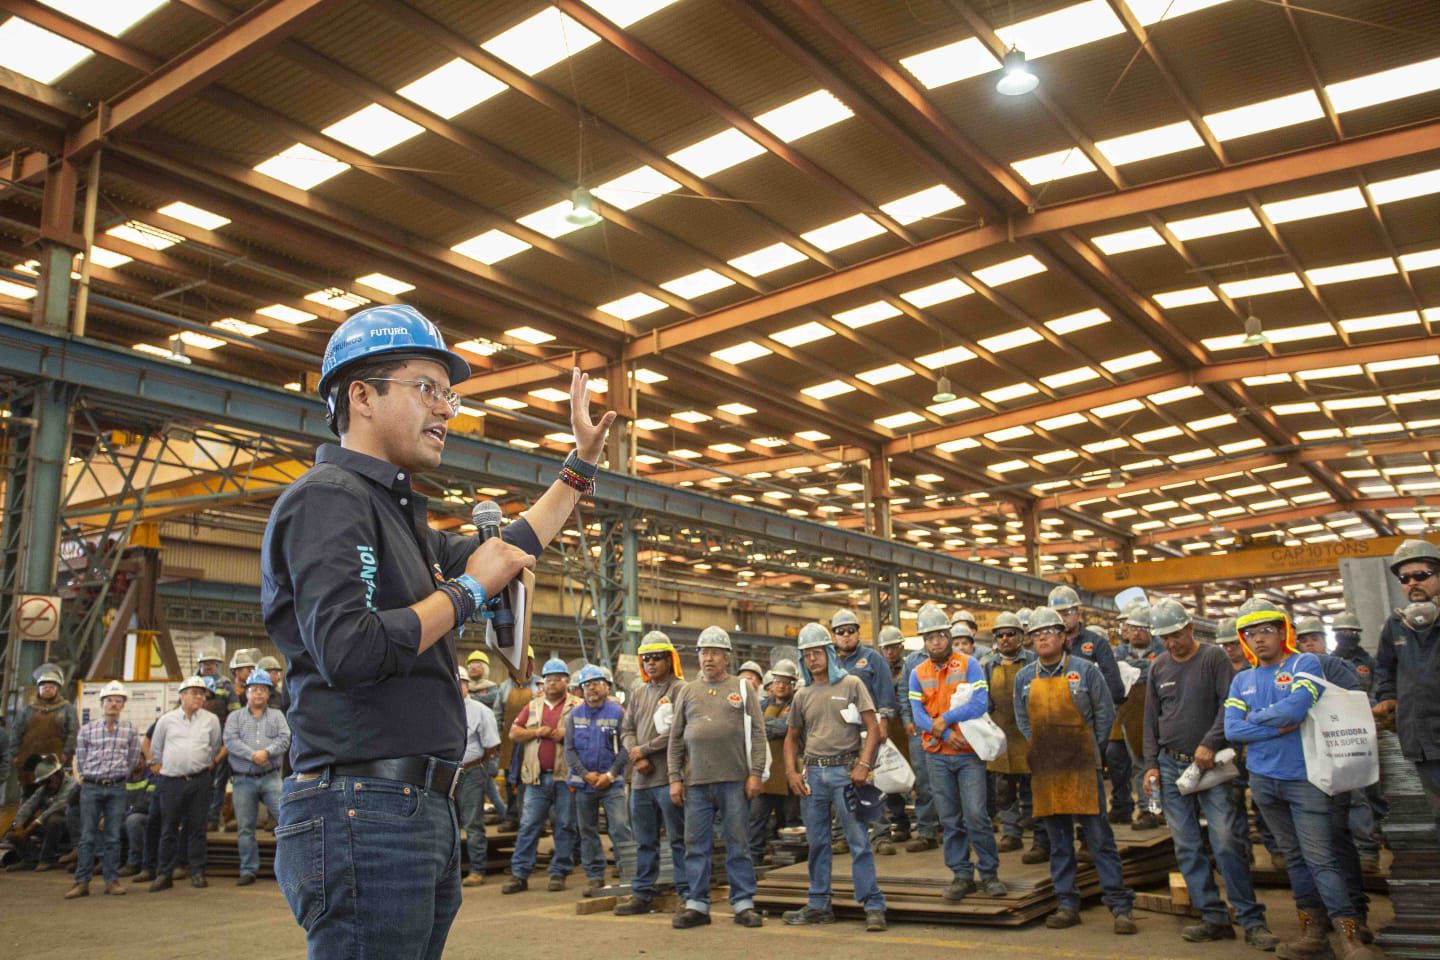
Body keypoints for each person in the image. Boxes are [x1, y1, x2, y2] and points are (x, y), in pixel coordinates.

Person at [262, 306, 611, 957]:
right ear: (361, 396)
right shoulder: (329, 498)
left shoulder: (400, 520)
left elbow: (511, 547)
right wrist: (468, 589)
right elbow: (351, 649)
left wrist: (578, 467)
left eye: (448, 394)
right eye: (427, 388)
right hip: (362, 807)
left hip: (414, 807)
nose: (446, 409)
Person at [1225, 600, 1380, 960]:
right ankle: (1313, 935)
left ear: (1282, 632)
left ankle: (1350, 937)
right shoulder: (1241, 678)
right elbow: (1233, 730)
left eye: (1266, 630)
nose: (1258, 639)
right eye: (1251, 633)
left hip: (1305, 779)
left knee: (1321, 858)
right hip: (1263, 782)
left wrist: (1255, 721)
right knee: (1294, 860)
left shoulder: (1304, 663)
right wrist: (1275, 725)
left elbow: (1297, 708)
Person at [1139, 599, 1277, 949]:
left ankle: (1251, 919)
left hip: (1212, 765)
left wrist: (1210, 743)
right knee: (1186, 845)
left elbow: (1230, 707)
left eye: (1175, 635)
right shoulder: (1159, 668)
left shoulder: (1213, 658)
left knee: (1227, 840)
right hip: (1172, 766)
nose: (1171, 643)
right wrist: (1151, 764)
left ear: (1189, 628)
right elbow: (1151, 718)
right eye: (1165, 638)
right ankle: (1213, 917)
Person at [1015, 607, 1137, 934]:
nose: (1042, 637)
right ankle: (1067, 903)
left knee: (1099, 838)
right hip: (1047, 768)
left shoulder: (1085, 672)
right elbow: (1023, 720)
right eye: (1036, 633)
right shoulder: (1025, 677)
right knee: (1059, 842)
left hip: (1083, 765)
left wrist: (1089, 750)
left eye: (1049, 631)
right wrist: (1044, 749)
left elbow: (1104, 712)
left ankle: (1119, 906)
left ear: (1062, 636)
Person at [782, 622, 888, 932]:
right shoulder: (802, 695)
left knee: (858, 841)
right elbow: (791, 738)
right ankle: (818, 905)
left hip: (845, 773)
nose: (812, 659)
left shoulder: (852, 684)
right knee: (817, 843)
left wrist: (864, 765)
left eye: (817, 652)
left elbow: (873, 729)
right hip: (813, 774)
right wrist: (791, 772)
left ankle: (873, 905)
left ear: (829, 652)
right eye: (807, 654)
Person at [667, 626, 766, 930]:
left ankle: (743, 903)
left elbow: (759, 734)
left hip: (734, 780)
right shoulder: (687, 691)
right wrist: (674, 777)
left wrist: (755, 773)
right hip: (696, 783)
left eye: (714, 653)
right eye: (703, 652)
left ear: (726, 657)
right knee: (695, 845)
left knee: (738, 843)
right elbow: (676, 739)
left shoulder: (742, 688)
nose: (708, 659)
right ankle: (697, 904)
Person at [909, 604, 1006, 902]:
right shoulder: (917, 673)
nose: (935, 642)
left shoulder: (968, 665)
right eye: (929, 637)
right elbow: (917, 713)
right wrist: (946, 733)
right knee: (950, 818)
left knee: (976, 815)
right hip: (938, 754)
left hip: (967, 754)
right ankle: (961, 874)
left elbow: (980, 703)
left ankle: (989, 874)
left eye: (940, 635)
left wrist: (946, 720)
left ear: (949, 635)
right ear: (924, 642)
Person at [615, 632, 689, 916]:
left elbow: (676, 732)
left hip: (668, 779)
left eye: (657, 658)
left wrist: (643, 750)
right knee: (645, 841)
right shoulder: (638, 693)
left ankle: (686, 894)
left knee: (679, 839)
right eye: (646, 659)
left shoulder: (681, 690)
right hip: (642, 781)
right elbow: (626, 730)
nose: (650, 664)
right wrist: (636, 753)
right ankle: (642, 894)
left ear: (670, 659)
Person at [1375, 539, 1440, 847]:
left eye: (1421, 575)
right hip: (1423, 740)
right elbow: (1384, 669)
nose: (1412, 583)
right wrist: (1387, 697)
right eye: (1405, 578)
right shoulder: (1396, 625)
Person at [504, 659, 582, 894]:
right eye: (548, 679)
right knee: (528, 825)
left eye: (558, 678)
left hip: (565, 777)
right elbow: (513, 733)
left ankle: (559, 872)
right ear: (543, 683)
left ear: (567, 681)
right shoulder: (533, 706)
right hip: (536, 779)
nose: (552, 683)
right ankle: (519, 874)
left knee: (565, 826)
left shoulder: (577, 706)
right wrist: (537, 732)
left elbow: (590, 733)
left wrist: (565, 734)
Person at [66, 680, 142, 899]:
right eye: (110, 700)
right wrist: (90, 777)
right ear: (102, 703)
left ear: (123, 705)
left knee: (112, 836)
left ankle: (112, 880)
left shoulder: (129, 730)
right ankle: (82, 882)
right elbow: (80, 760)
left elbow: (132, 759)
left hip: (117, 787)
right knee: (87, 835)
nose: (114, 705)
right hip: (91, 787)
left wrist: (118, 776)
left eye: (118, 701)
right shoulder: (87, 731)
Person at [149, 676, 222, 892]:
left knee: (197, 827)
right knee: (168, 827)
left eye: (202, 693)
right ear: (182, 696)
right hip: (172, 781)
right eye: (194, 693)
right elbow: (156, 749)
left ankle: (197, 871)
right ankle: (164, 873)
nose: (199, 697)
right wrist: (171, 765)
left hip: (200, 780)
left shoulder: (211, 720)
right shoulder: (166, 720)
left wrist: (203, 764)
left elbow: (214, 745)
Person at [567, 664, 633, 895]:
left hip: (611, 783)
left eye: (596, 683)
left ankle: (628, 874)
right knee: (587, 831)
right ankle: (594, 876)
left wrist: (610, 775)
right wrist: (585, 774)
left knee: (620, 828)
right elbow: (570, 750)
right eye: (586, 685)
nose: (591, 688)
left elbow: (626, 748)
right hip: (584, 783)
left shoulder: (618, 713)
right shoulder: (574, 716)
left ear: (607, 687)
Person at [1328, 612, 1385, 875]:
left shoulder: (1369, 662)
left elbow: (1378, 690)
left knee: (1369, 791)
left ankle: (1370, 846)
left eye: (1352, 632)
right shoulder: (1328, 662)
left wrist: (1370, 709)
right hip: (1335, 733)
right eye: (1343, 632)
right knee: (1352, 795)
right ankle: (1359, 849)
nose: (1348, 637)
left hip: (1366, 728)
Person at [223, 668, 290, 886]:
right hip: (243, 779)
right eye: (254, 690)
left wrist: (267, 753)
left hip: (271, 777)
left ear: (269, 693)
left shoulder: (278, 716)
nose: (258, 694)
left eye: (262, 690)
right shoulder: (235, 718)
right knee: (245, 828)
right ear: (246, 693)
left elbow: (285, 738)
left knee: (287, 821)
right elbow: (230, 741)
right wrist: (252, 754)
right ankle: (248, 870)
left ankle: (288, 869)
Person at [986, 612, 1043, 860]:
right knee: (1004, 789)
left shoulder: (1034, 662)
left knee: (1034, 787)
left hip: (1029, 735)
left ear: (1022, 637)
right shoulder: (988, 666)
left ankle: (1040, 838)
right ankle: (1011, 833)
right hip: (1001, 735)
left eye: (1011, 634)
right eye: (1001, 635)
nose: (1006, 639)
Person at [1112, 604, 1161, 829]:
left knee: (1162, 764)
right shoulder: (1119, 652)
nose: (1138, 632)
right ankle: (1148, 810)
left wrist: (1134, 669)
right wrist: (1146, 668)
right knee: (1140, 765)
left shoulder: (1162, 649)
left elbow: (1158, 668)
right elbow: (1116, 671)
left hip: (1160, 715)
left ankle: (1162, 809)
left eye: (1143, 628)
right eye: (1134, 628)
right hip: (1130, 717)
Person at [451, 665, 500, 888]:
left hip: (471, 771)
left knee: (472, 823)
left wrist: (474, 762)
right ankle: (450, 873)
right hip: (446, 772)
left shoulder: (481, 711)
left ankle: (477, 870)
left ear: (467, 686)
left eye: (461, 682)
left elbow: (491, 746)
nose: (457, 686)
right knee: (448, 824)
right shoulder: (441, 708)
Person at [750, 658, 798, 864]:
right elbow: (753, 728)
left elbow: (788, 727)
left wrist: (767, 726)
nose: (781, 684)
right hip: (764, 774)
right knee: (756, 821)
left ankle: (793, 862)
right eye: (778, 680)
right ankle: (753, 859)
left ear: (793, 684)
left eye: (786, 681)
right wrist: (774, 726)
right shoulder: (760, 705)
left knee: (793, 822)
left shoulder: (797, 704)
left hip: (789, 774)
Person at [7, 663, 78, 800]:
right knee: (28, 796)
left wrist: (65, 754)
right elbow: (16, 732)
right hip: (29, 761)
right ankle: (24, 821)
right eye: (44, 686)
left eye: (51, 686)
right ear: (38, 689)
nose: (47, 689)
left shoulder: (67, 709)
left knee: (55, 796)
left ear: (57, 689)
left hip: (56, 761)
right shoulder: (28, 709)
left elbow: (73, 733)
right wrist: (15, 755)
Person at [1048, 585, 1125, 706]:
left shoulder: (1097, 644)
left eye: (1066, 613)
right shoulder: (1048, 646)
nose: (1062, 619)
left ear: (1077, 613)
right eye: (1057, 615)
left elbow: (1114, 684)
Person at [876, 626, 919, 845]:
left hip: (909, 729)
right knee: (890, 777)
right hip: (888, 731)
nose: (890, 652)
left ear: (901, 647)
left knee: (919, 778)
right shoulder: (877, 670)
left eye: (894, 647)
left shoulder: (912, 667)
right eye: (886, 648)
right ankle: (901, 823)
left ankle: (927, 824)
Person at [2, 754, 77, 871]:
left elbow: (56, 808)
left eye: (47, 781)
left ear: (56, 774)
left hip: (70, 830)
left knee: (54, 820)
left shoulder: (71, 785)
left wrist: (32, 826)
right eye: (42, 783)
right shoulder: (44, 789)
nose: (45, 785)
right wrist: (17, 824)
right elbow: (28, 806)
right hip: (49, 829)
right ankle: (30, 859)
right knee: (13, 828)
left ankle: (48, 859)